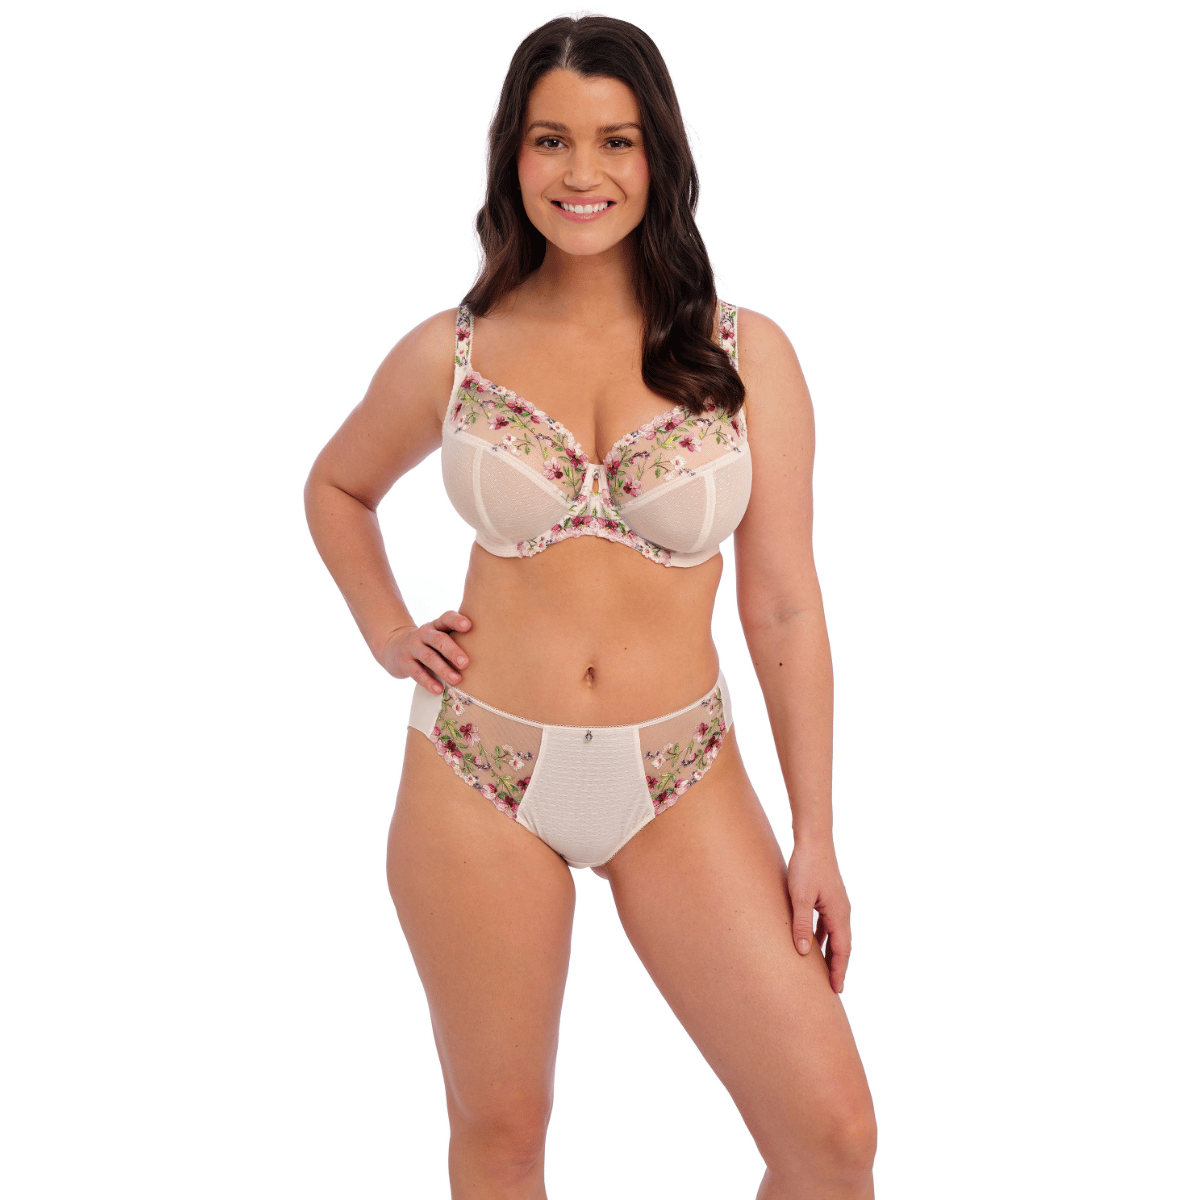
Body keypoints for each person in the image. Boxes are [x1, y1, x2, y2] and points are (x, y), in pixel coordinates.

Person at [304, 14, 876, 1199]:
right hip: (476, 772)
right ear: (512, 157)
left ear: (658, 153)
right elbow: (338, 487)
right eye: (549, 139)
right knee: (503, 1133)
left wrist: (815, 832)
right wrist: (386, 630)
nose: (582, 172)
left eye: (616, 140)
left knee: (831, 1142)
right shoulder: (455, 351)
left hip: (683, 775)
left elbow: (783, 608)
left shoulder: (747, 354)